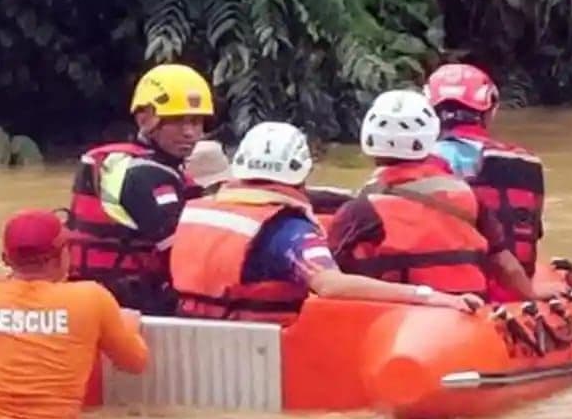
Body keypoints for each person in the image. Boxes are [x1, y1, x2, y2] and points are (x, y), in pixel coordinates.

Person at [169, 121, 483, 326]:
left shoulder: (198, 209)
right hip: (260, 354)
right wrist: (430, 296)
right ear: (302, 171)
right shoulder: (287, 229)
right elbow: (331, 285)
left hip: (189, 339)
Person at [328, 89, 563, 300]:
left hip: (399, 320)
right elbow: (506, 265)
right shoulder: (466, 196)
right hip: (468, 316)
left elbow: (326, 274)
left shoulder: (360, 211)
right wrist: (531, 293)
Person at [0, 209, 149, 419]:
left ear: (5, 259)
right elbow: (135, 363)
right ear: (62, 255)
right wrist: (128, 326)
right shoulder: (91, 298)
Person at [65, 63, 214, 315]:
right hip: (131, 302)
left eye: (196, 122)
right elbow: (185, 257)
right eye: (177, 122)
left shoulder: (126, 162)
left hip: (101, 294)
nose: (190, 133)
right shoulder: (147, 176)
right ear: (146, 120)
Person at [424, 64, 547, 299]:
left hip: (447, 296)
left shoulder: (416, 162)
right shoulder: (527, 161)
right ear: (489, 109)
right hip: (513, 294)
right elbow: (532, 233)